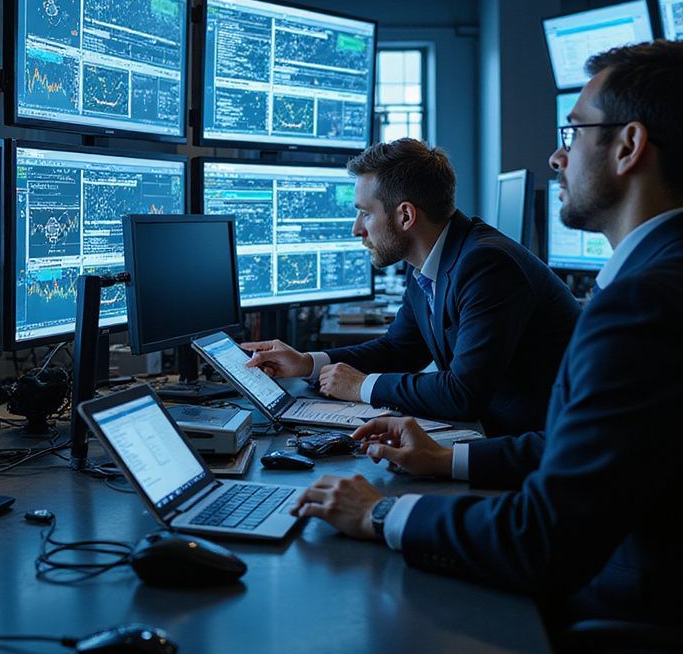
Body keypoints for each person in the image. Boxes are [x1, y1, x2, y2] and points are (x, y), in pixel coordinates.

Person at [289, 41, 683, 654]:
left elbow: (542, 539)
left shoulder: (647, 304)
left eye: (574, 132)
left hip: (652, 639)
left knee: (376, 649)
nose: (556, 157)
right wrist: (446, 461)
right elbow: (589, 453)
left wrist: (381, 513)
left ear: (628, 147)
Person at [242, 138, 580, 433]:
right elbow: (399, 350)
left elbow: (462, 394)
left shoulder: (486, 264)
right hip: (500, 433)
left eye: (365, 213)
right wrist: (306, 363)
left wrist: (362, 386)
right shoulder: (431, 260)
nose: (357, 229)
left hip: (541, 453)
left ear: (405, 216)